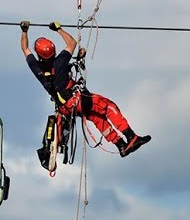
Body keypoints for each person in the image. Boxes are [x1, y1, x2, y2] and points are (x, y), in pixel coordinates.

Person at [20, 20, 151, 158]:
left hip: (66, 108)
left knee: (98, 117)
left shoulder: (36, 68)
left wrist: (24, 31)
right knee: (108, 106)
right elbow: (72, 43)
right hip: (78, 100)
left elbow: (25, 48)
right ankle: (130, 136)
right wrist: (58, 29)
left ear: (39, 55)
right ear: (53, 52)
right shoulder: (60, 61)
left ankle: (121, 145)